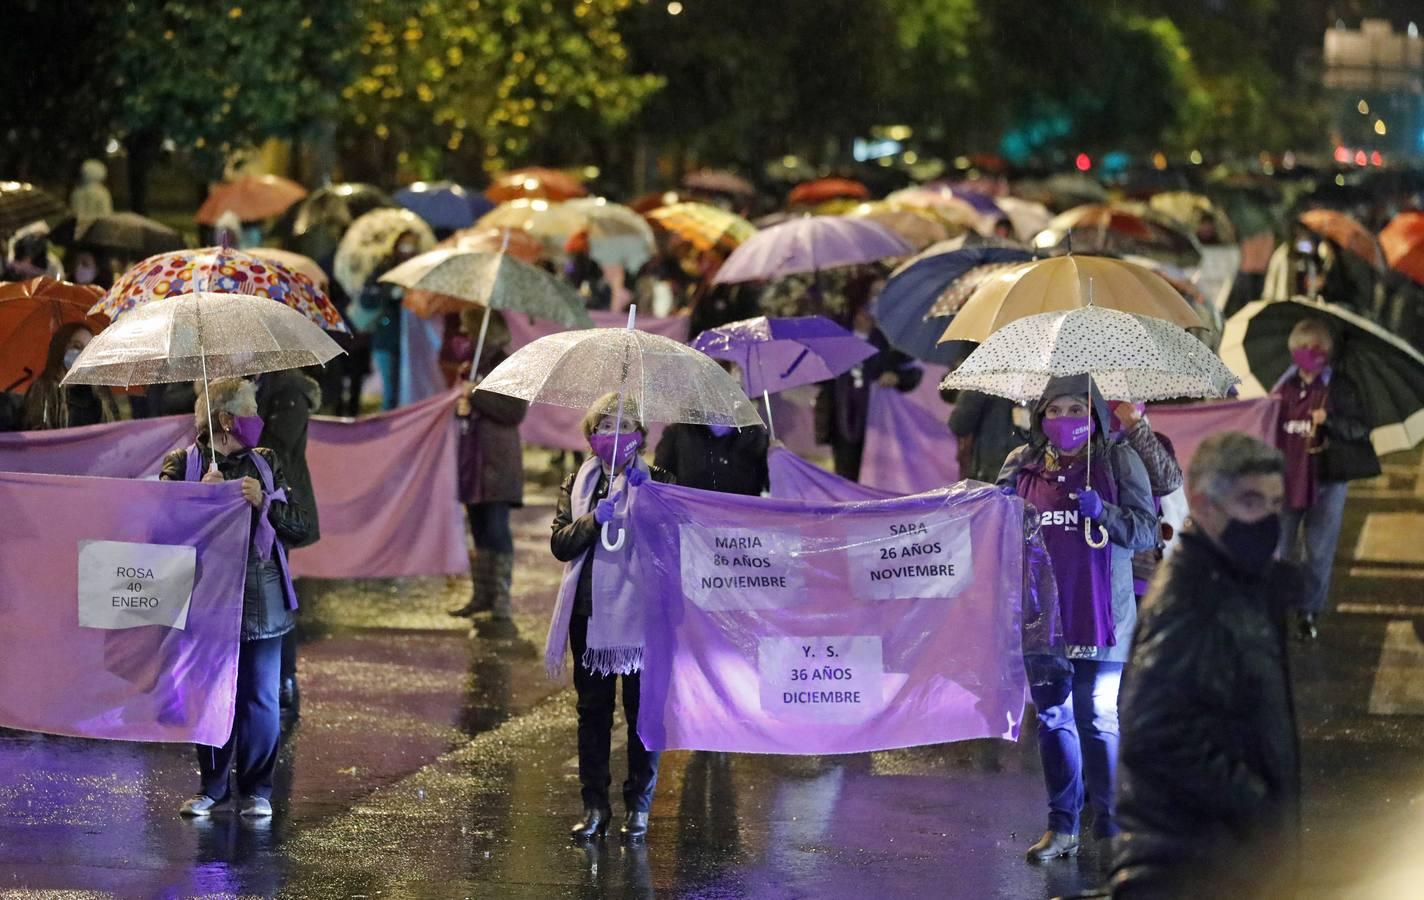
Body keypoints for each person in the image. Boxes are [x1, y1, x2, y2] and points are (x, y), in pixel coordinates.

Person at [1112, 432, 1300, 898]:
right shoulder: (1190, 601)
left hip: (1226, 861)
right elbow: (1154, 736)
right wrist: (1261, 806)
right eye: (1251, 502)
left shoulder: (1240, 582)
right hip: (1187, 870)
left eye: (1276, 503)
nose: (1268, 519)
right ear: (1203, 503)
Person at [998, 376, 1156, 861]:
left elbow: (1146, 530)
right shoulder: (1020, 463)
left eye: (1076, 409)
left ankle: (1110, 830)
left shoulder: (1118, 459)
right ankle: (1062, 827)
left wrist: (1104, 512)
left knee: (1096, 717)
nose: (1064, 419)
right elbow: (989, 528)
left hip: (1101, 615)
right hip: (1042, 616)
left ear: (1094, 415)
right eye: (1055, 409)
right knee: (1052, 717)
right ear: (1040, 416)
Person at [161, 378, 308, 818]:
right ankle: (213, 788)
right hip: (206, 602)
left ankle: (258, 789)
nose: (256, 418)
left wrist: (265, 502)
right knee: (208, 694)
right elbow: (160, 528)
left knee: (260, 698)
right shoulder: (180, 464)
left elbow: (297, 526)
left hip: (263, 602)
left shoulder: (266, 464)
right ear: (226, 418)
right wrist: (197, 499)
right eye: (249, 408)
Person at [548, 394, 674, 844]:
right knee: (593, 712)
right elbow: (560, 545)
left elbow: (671, 544)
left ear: (641, 435)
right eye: (603, 427)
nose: (613, 437)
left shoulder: (656, 480)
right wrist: (589, 522)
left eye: (623, 428)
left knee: (641, 713)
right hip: (589, 614)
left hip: (640, 618)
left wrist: (650, 501)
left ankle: (638, 805)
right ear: (590, 435)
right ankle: (595, 806)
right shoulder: (577, 482)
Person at [1272, 318, 1379, 640]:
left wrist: (1329, 420)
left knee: (1318, 551)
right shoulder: (1284, 387)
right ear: (1294, 351)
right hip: (1288, 480)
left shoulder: (1341, 387)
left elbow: (1361, 428)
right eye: (1304, 349)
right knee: (1279, 548)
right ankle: (1274, 607)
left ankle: (1309, 611)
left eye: (1317, 349)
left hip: (1328, 481)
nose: (1310, 355)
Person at [449, 310, 528, 622]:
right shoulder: (473, 366)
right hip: (474, 457)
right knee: (479, 528)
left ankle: (500, 598)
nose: (465, 337)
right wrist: (463, 405)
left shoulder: (508, 365)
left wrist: (476, 396)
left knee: (496, 529)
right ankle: (481, 595)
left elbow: (514, 411)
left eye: (469, 331)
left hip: (497, 460)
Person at [255, 369, 323, 722]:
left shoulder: (288, 388)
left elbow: (276, 446)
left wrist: (245, 422)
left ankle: (284, 679)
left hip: (281, 506)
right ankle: (272, 678)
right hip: (264, 503)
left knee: (278, 593)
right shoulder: (263, 385)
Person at [815, 303, 922, 482]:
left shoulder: (888, 342)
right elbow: (818, 377)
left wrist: (896, 376)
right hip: (841, 419)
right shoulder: (836, 339)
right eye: (864, 308)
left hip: (877, 424)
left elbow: (913, 371)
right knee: (846, 475)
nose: (868, 314)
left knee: (876, 476)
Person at [1106, 401, 1183, 599]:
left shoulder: (1154, 440)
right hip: (1095, 566)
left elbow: (1168, 481)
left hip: (1140, 571)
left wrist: (1135, 427)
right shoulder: (1086, 443)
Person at [355, 230, 420, 410]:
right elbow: (367, 300)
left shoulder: (421, 270)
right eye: (405, 244)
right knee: (390, 392)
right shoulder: (383, 269)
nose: (409, 249)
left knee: (407, 391)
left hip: (412, 341)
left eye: (413, 245)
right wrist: (389, 293)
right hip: (386, 338)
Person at [21, 323, 118, 430]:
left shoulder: (100, 393)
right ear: (61, 349)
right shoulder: (43, 391)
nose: (83, 354)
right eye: (77, 346)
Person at [946, 388, 1029, 483]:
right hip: (985, 476)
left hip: (1020, 477)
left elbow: (1034, 433)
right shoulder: (982, 382)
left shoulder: (1031, 385)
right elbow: (959, 425)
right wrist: (978, 390)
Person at [69, 158, 113, 229]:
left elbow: (75, 214)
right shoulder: (103, 193)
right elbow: (106, 214)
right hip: (98, 230)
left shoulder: (77, 193)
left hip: (81, 231)